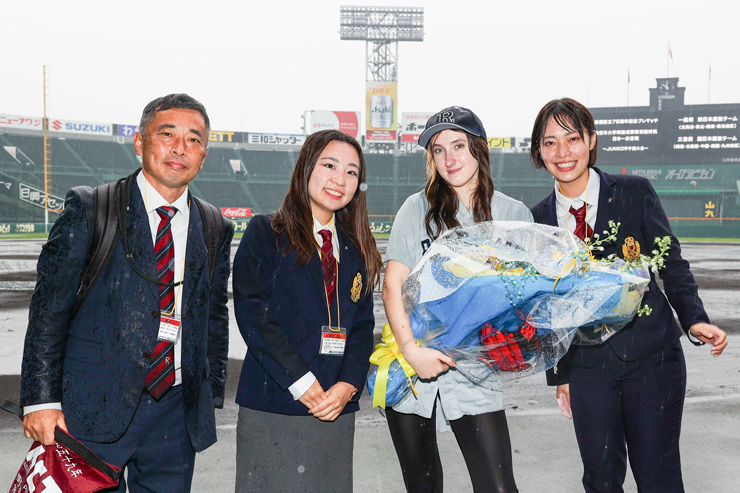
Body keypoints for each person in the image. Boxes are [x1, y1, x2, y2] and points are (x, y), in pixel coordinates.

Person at [20, 93, 234, 492]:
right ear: (140, 143)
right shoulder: (92, 208)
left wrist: (209, 395)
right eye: (166, 134)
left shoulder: (214, 224)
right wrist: (40, 400)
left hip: (175, 410)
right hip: (92, 407)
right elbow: (49, 311)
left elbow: (213, 314)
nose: (179, 148)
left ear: (204, 155)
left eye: (194, 139)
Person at [529, 98, 728, 493]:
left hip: (652, 359)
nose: (562, 152)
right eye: (550, 143)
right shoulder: (538, 220)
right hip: (586, 368)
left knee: (658, 477)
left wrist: (694, 318)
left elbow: (670, 260)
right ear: (539, 151)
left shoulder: (634, 192)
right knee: (600, 480)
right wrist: (560, 376)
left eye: (572, 138)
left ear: (591, 140)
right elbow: (547, 306)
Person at [382, 106, 532, 493]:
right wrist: (411, 350)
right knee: (423, 487)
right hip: (409, 367)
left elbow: (525, 297)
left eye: (459, 145)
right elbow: (392, 284)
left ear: (478, 149)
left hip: (475, 370)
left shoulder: (514, 214)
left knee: (498, 487)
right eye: (437, 149)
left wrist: (517, 334)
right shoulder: (416, 208)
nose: (449, 159)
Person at [232, 129, 382, 492]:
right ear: (306, 168)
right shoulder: (266, 232)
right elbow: (254, 315)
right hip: (275, 404)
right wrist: (302, 383)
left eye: (351, 172)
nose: (340, 179)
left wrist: (348, 385)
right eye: (330, 165)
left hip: (335, 409)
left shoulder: (356, 249)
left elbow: (362, 328)